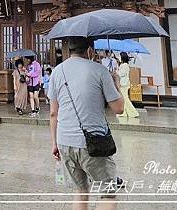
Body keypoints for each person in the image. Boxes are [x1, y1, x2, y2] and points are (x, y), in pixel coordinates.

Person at [48, 37, 124, 210]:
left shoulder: (57, 71)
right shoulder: (100, 70)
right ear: (90, 50)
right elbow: (118, 108)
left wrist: (54, 144)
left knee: (81, 190)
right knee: (107, 192)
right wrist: (117, 84)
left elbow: (53, 112)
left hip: (64, 141)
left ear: (68, 49)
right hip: (93, 142)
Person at [117, 52, 139, 119]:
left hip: (124, 84)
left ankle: (133, 112)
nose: (119, 58)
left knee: (125, 98)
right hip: (123, 83)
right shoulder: (123, 65)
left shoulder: (125, 65)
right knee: (123, 98)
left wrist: (116, 71)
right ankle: (124, 113)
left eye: (120, 57)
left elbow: (121, 74)